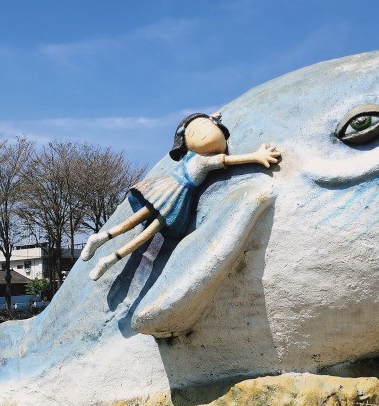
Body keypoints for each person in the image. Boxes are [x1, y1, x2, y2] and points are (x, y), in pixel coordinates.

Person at [81, 112, 281, 280]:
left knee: (144, 225)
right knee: (143, 228)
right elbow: (229, 160)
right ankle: (103, 250)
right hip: (173, 192)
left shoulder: (197, 156)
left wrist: (210, 118)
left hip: (172, 190)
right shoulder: (202, 159)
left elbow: (222, 155)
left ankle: (104, 251)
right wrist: (256, 156)